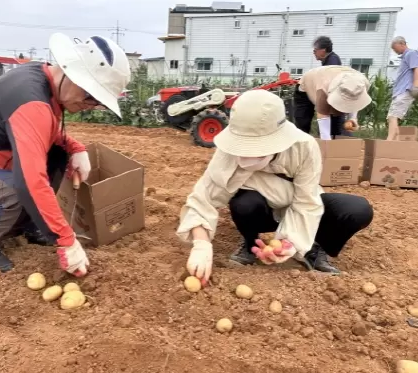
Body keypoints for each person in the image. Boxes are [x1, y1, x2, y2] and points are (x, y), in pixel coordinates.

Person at [0, 32, 131, 276]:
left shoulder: (41, 80)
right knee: (18, 192)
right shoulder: (31, 100)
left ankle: (30, 226)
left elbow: (42, 133)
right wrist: (66, 239)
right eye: (92, 97)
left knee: (57, 153)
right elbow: (30, 183)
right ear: (74, 76)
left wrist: (75, 147)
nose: (91, 105)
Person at [176, 89, 373, 281]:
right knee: (244, 203)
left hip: (295, 201)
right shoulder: (228, 152)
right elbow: (203, 198)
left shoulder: (303, 146)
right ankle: (250, 243)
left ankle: (313, 246)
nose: (248, 154)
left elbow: (306, 201)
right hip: (261, 209)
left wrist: (291, 242)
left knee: (357, 210)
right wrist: (201, 245)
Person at [293, 65, 371, 140]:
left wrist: (353, 118)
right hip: (307, 86)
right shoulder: (323, 88)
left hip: (331, 77)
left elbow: (355, 99)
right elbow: (323, 117)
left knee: (336, 129)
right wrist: (327, 145)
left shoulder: (362, 83)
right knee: (303, 125)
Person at [386, 36, 418, 140]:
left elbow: (416, 68)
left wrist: (416, 85)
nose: (394, 50)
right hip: (400, 91)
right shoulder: (405, 56)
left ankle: (389, 141)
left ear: (402, 44)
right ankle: (395, 141)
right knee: (393, 116)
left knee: (393, 116)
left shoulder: (411, 53)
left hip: (405, 90)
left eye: (395, 48)